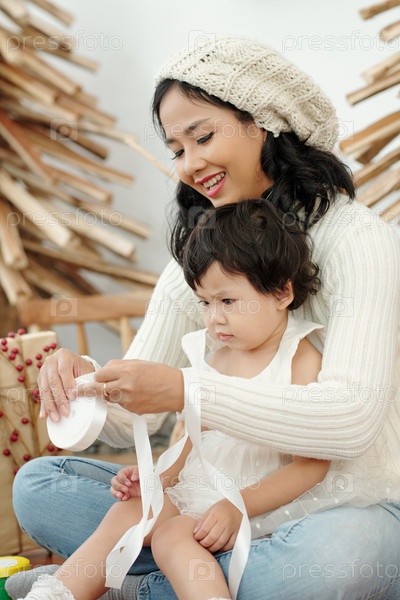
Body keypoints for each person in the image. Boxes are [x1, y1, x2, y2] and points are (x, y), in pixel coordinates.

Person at [10, 35, 400, 600]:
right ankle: (188, 579)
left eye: (203, 136)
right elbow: (133, 410)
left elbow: (351, 420)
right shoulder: (201, 257)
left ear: (265, 122)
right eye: (176, 148)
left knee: (340, 555)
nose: (190, 165)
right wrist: (85, 382)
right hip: (203, 510)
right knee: (39, 485)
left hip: (341, 509)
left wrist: (189, 392)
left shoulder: (358, 240)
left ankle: (120, 586)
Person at [17, 199, 332, 600]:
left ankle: (158, 589)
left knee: (171, 537)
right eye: (205, 302)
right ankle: (57, 592)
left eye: (228, 301)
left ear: (282, 292)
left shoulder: (299, 358)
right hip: (198, 497)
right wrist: (155, 479)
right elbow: (191, 441)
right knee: (130, 512)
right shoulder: (215, 357)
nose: (214, 318)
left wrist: (236, 507)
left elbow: (311, 466)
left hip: (255, 505)